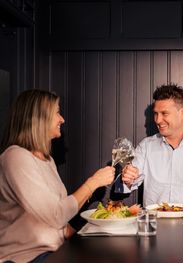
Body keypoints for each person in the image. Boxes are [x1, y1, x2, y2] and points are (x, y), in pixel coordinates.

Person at [0, 90, 115, 263]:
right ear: (38, 118)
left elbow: (55, 221)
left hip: (54, 252)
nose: (62, 119)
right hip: (25, 258)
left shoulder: (47, 161)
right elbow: (56, 215)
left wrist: (98, 228)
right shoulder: (15, 157)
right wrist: (94, 182)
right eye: (56, 112)